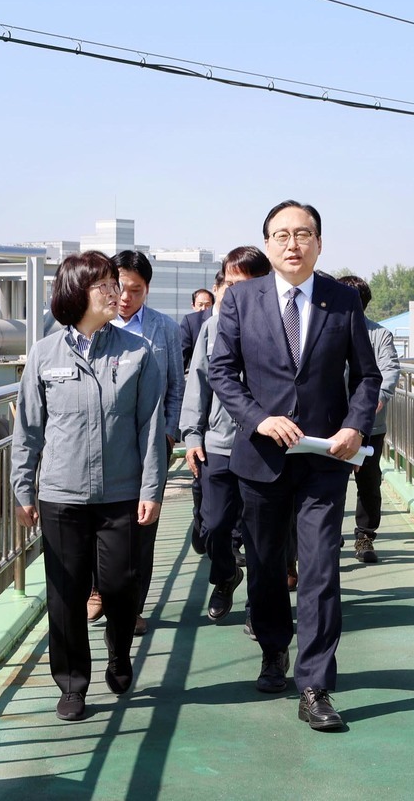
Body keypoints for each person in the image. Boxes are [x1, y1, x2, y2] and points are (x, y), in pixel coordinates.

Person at [207, 199, 380, 732]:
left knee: (322, 570)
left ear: (319, 242)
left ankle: (315, 683)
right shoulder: (240, 299)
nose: (292, 244)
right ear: (267, 244)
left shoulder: (341, 301)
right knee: (263, 566)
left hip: (324, 461)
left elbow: (367, 376)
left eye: (302, 234)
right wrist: (257, 419)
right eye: (281, 235)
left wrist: (354, 425)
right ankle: (273, 650)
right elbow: (221, 370)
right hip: (260, 459)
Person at [10, 251, 166, 722]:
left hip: (120, 493)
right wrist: (23, 488)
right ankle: (72, 684)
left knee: (120, 586)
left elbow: (151, 428)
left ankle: (119, 652)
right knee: (65, 593)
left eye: (115, 283)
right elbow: (29, 429)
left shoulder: (138, 353)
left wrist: (152, 488)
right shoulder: (43, 354)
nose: (115, 292)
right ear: (77, 291)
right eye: (104, 285)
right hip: (60, 494)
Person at [86, 249, 183, 637]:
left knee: (143, 526)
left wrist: (170, 431)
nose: (125, 298)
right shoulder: (91, 324)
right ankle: (96, 591)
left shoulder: (165, 329)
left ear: (147, 290)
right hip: (102, 442)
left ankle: (132, 607)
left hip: (150, 441)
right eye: (119, 288)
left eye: (136, 290)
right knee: (97, 517)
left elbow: (176, 384)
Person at [181, 246, 272, 623]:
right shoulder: (211, 327)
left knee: (260, 532)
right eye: (229, 284)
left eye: (245, 284)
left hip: (264, 445)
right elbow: (198, 383)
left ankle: (258, 605)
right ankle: (225, 576)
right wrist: (192, 435)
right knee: (214, 524)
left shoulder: (280, 325)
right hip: (217, 443)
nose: (235, 293)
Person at [336, 274, 403, 564]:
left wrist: (378, 398)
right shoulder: (326, 330)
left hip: (369, 424)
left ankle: (365, 536)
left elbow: (390, 369)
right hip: (332, 422)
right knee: (329, 482)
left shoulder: (379, 335)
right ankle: (327, 532)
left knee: (368, 481)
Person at [178, 287, 216, 552]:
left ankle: (231, 545)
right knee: (202, 479)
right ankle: (200, 521)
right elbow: (183, 358)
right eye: (200, 303)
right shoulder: (193, 323)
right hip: (202, 403)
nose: (204, 307)